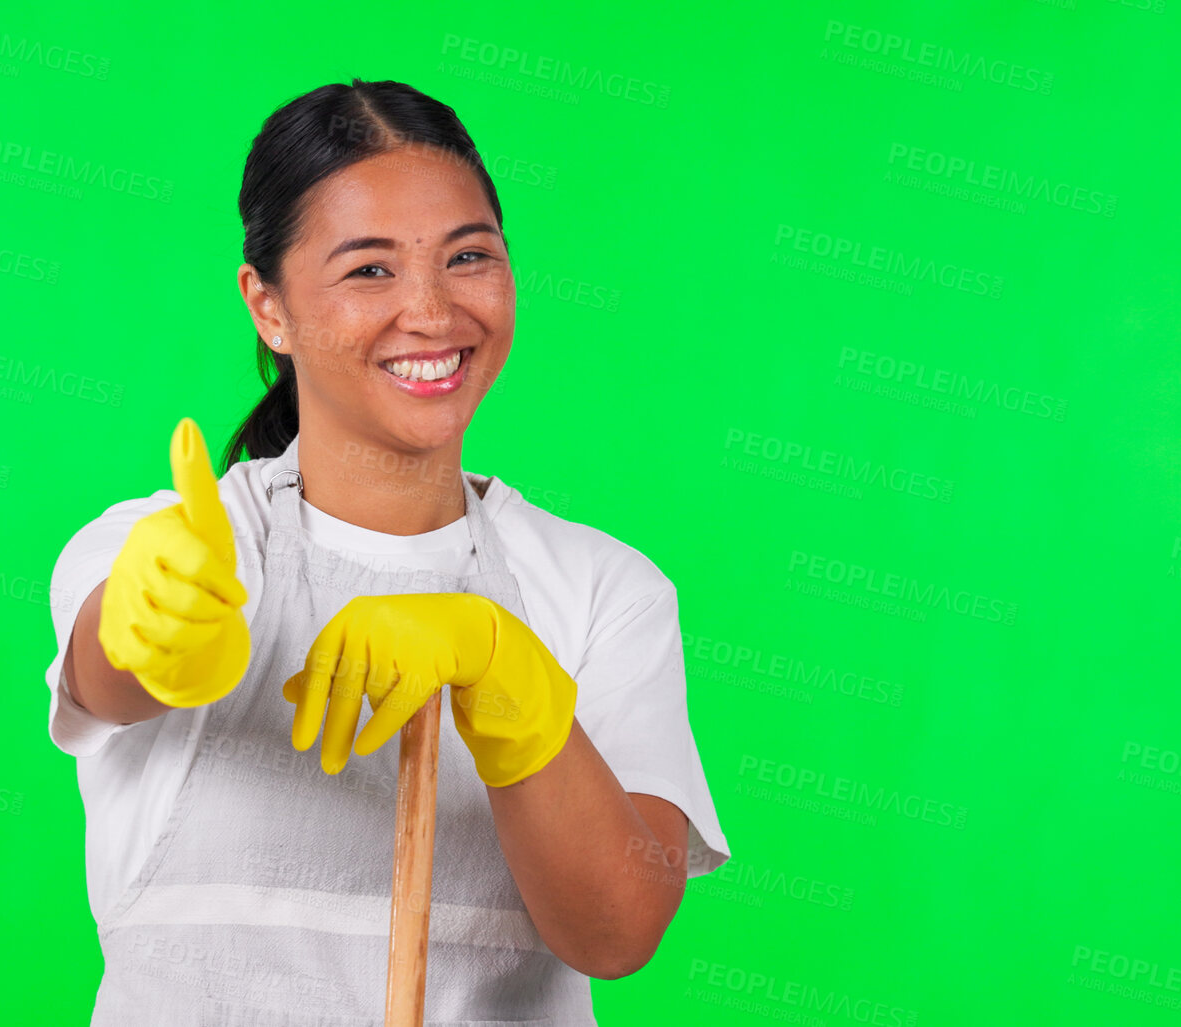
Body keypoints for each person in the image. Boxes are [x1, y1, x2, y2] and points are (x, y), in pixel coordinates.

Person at [43, 77, 730, 1025]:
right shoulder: (173, 549)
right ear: (268, 306)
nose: (432, 312)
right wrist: (154, 632)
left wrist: (508, 682)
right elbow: (106, 671)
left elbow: (616, 932)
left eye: (468, 257)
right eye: (369, 269)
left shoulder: (601, 590)